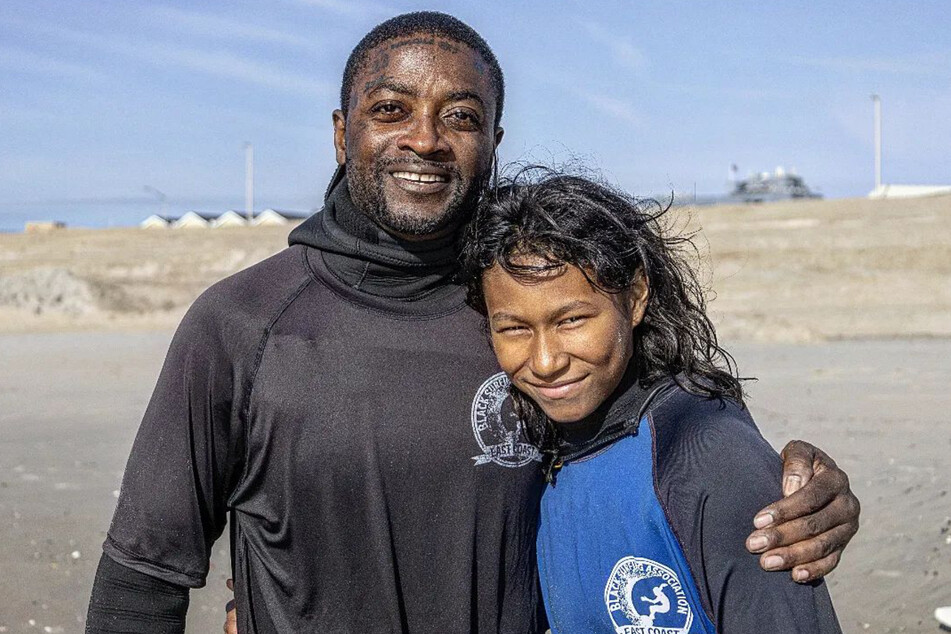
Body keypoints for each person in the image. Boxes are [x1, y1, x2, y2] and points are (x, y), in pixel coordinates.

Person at [86, 12, 859, 634]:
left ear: (493, 140)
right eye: (389, 109)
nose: (423, 137)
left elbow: (679, 439)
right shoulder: (242, 326)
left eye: (459, 115)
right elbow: (141, 578)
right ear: (339, 130)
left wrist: (802, 487)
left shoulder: (526, 307)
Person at [460, 170, 842, 632]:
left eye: (573, 320)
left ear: (637, 295)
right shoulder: (540, 451)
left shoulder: (707, 455)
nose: (544, 362)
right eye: (514, 328)